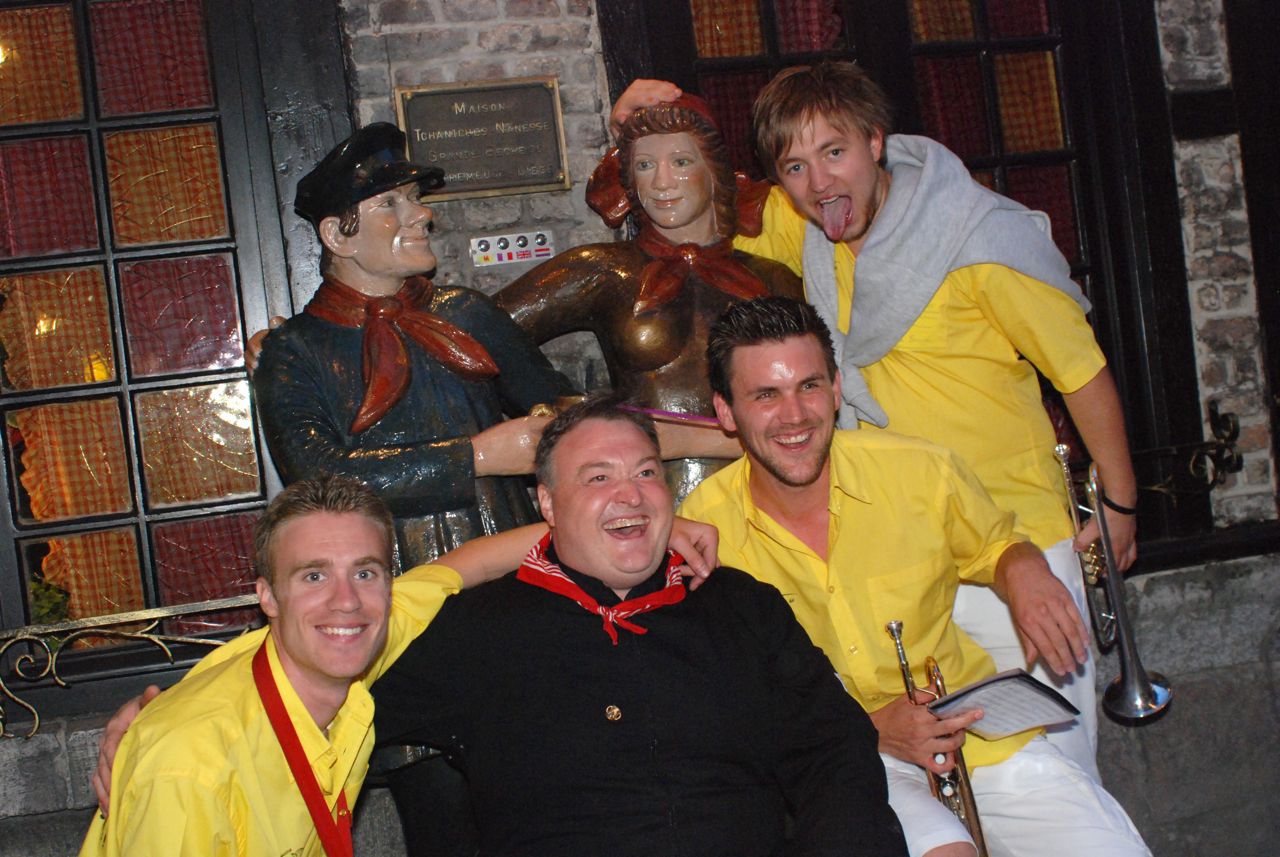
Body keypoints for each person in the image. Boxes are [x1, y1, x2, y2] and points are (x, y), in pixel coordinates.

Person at [613, 65, 1139, 779]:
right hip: (892, 554)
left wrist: (1118, 503)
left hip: (1011, 542)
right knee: (926, 778)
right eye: (795, 167)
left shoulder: (979, 242)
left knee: (1050, 770)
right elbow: (690, 202)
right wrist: (634, 126)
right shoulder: (804, 230)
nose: (820, 182)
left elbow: (1082, 371)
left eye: (835, 152)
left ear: (876, 142)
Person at [678, 297, 1150, 857]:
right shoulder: (705, 530)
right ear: (726, 412)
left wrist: (1022, 566)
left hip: (973, 734)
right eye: (765, 395)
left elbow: (996, 544)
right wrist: (871, 727)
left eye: (809, 386)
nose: (795, 414)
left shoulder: (920, 469)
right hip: (839, 759)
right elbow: (730, 707)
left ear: (836, 389)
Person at [370, 392, 909, 856]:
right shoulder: (480, 632)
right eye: (598, 477)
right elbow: (332, 698)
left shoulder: (741, 608)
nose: (630, 494)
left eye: (646, 473)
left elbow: (834, 755)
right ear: (547, 503)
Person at [78, 474, 462, 857]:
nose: (347, 601)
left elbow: (462, 568)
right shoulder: (191, 770)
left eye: (364, 573)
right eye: (314, 576)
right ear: (268, 597)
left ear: (388, 589)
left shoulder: (346, 649)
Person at [253, 122, 577, 571]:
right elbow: (317, 476)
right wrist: (476, 457)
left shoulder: (465, 313)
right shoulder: (294, 349)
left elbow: (564, 409)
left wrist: (550, 431)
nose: (421, 215)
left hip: (507, 560)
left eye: (415, 198)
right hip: (385, 575)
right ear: (338, 236)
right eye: (390, 203)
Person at [494, 95, 802, 503]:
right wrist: (564, 411)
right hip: (646, 504)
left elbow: (812, 398)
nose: (661, 182)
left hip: (760, 498)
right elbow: (479, 332)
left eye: (681, 162)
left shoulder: (772, 279)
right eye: (644, 165)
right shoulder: (605, 269)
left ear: (714, 171)